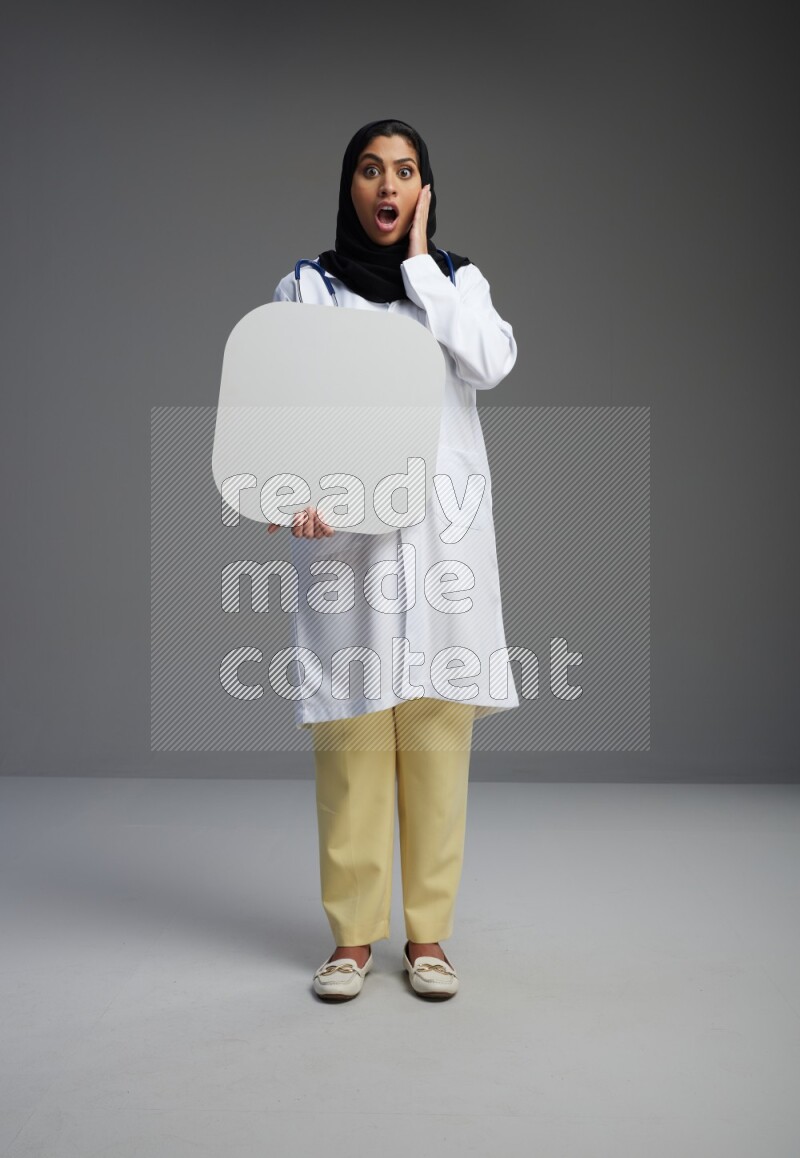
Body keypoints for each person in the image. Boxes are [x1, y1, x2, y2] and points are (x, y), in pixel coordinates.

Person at [269, 118, 520, 1001]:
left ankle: (428, 938)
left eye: (404, 171)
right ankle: (350, 942)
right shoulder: (310, 288)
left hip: (443, 545)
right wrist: (288, 491)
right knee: (352, 745)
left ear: (424, 190)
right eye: (371, 170)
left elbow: (490, 363)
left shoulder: (456, 283)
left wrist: (422, 269)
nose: (387, 185)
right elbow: (283, 403)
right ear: (349, 186)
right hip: (350, 548)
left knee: (437, 745)